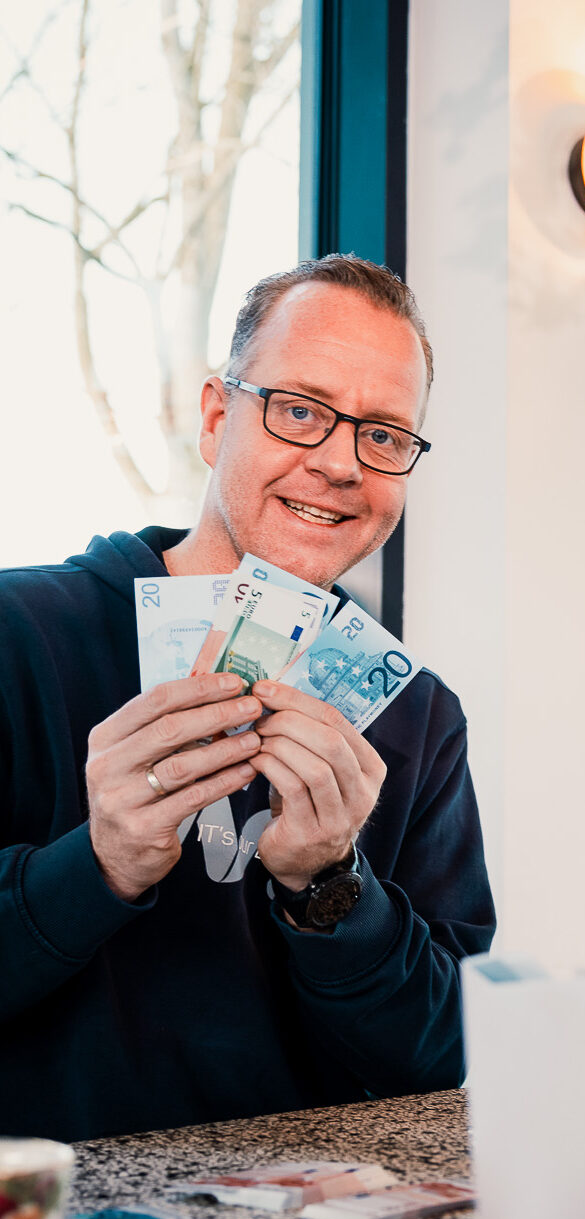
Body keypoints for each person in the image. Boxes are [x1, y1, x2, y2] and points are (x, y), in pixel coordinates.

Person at [0, 255, 495, 1142]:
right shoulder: (18, 635)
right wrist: (100, 862)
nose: (342, 463)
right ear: (217, 417)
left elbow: (439, 1059)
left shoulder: (418, 715)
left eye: (384, 434)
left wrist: (332, 889)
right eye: (301, 411)